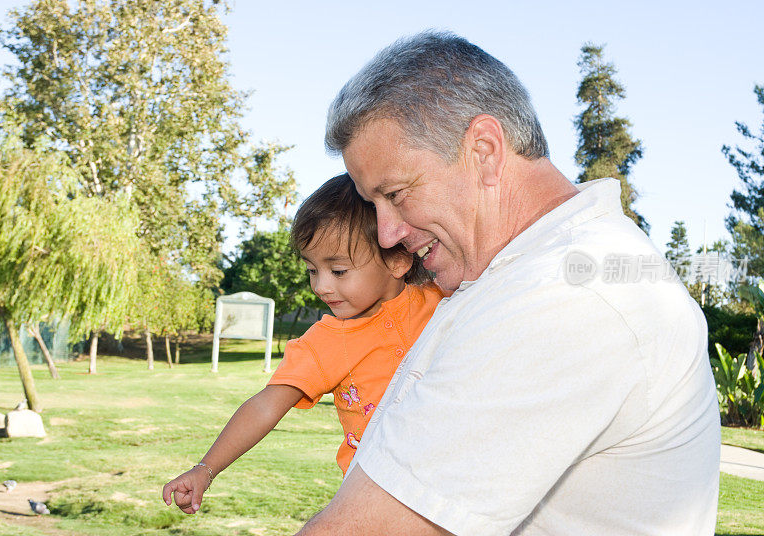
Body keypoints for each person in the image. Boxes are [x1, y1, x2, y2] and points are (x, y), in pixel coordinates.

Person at [297, 31, 720, 535]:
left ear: (484, 150)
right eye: (374, 205)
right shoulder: (516, 272)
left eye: (396, 194)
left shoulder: (563, 298)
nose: (387, 233)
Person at [162, 173, 444, 514]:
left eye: (338, 271)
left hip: (454, 483)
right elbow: (265, 406)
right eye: (312, 270)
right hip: (379, 497)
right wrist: (205, 470)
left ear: (397, 260)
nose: (321, 286)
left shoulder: (443, 299)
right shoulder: (325, 343)